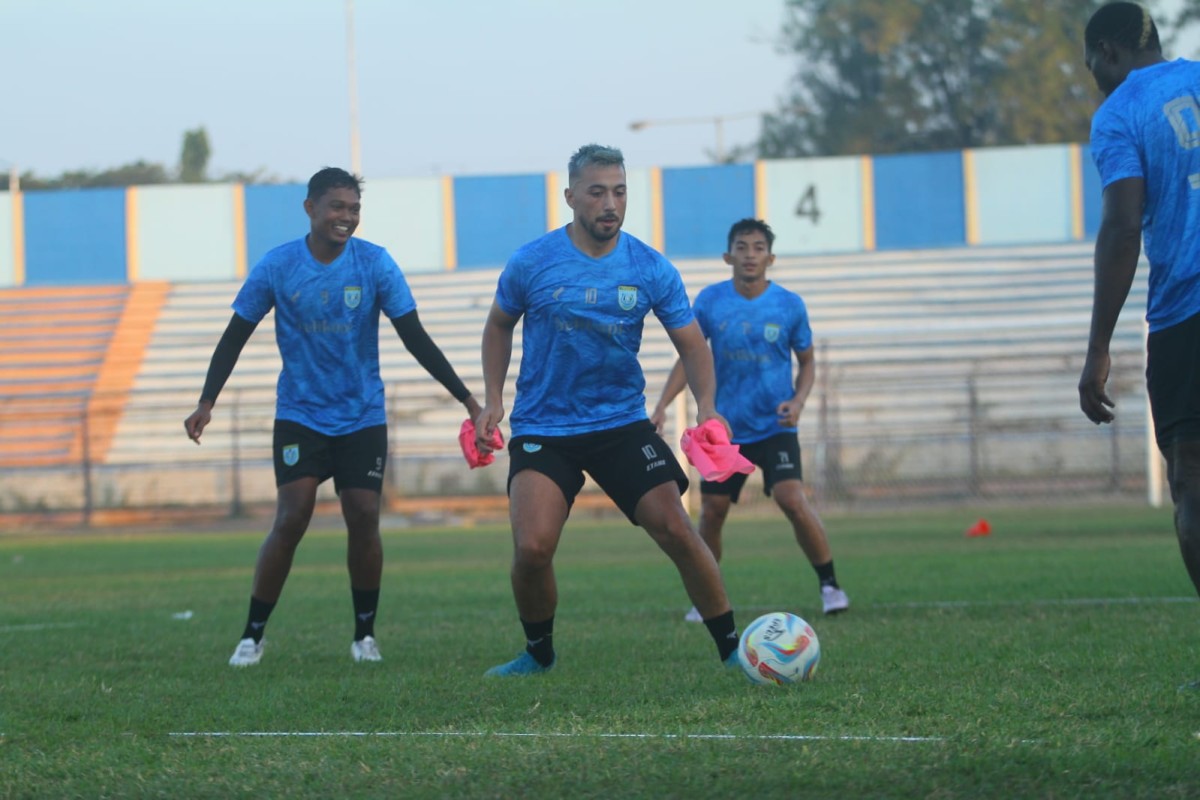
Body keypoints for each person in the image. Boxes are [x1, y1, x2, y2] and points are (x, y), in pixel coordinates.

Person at [184, 167, 481, 667]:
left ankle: (364, 636)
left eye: (354, 209)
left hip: (362, 415)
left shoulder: (375, 264)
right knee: (292, 516)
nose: (347, 217)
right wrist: (207, 400)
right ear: (311, 209)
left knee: (364, 516)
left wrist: (467, 400)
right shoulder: (278, 266)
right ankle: (252, 635)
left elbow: (414, 336)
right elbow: (235, 333)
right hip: (300, 414)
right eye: (337, 207)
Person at [474, 143, 741, 676]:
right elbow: (499, 324)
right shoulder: (533, 261)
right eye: (597, 192)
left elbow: (693, 344)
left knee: (675, 529)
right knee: (531, 548)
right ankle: (539, 654)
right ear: (571, 196)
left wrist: (708, 406)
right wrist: (493, 397)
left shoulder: (648, 267)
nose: (610, 203)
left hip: (620, 423)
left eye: (619, 191)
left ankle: (734, 651)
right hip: (545, 427)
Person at [1079, 1, 1200, 689]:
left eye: (1093, 60)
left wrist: (1099, 348)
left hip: (1190, 311)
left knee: (1191, 482)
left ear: (1110, 51)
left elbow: (1123, 227)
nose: (1094, 73)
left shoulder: (1121, 111)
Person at [650, 218, 849, 621]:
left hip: (775, 426)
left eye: (758, 248)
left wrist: (798, 400)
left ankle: (830, 585)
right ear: (728, 256)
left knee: (792, 499)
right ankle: (705, 597)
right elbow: (689, 356)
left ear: (770, 257)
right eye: (741, 247)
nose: (750, 255)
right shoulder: (710, 301)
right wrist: (662, 405)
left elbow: (807, 363)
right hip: (725, 430)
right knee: (713, 512)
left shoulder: (789, 305)